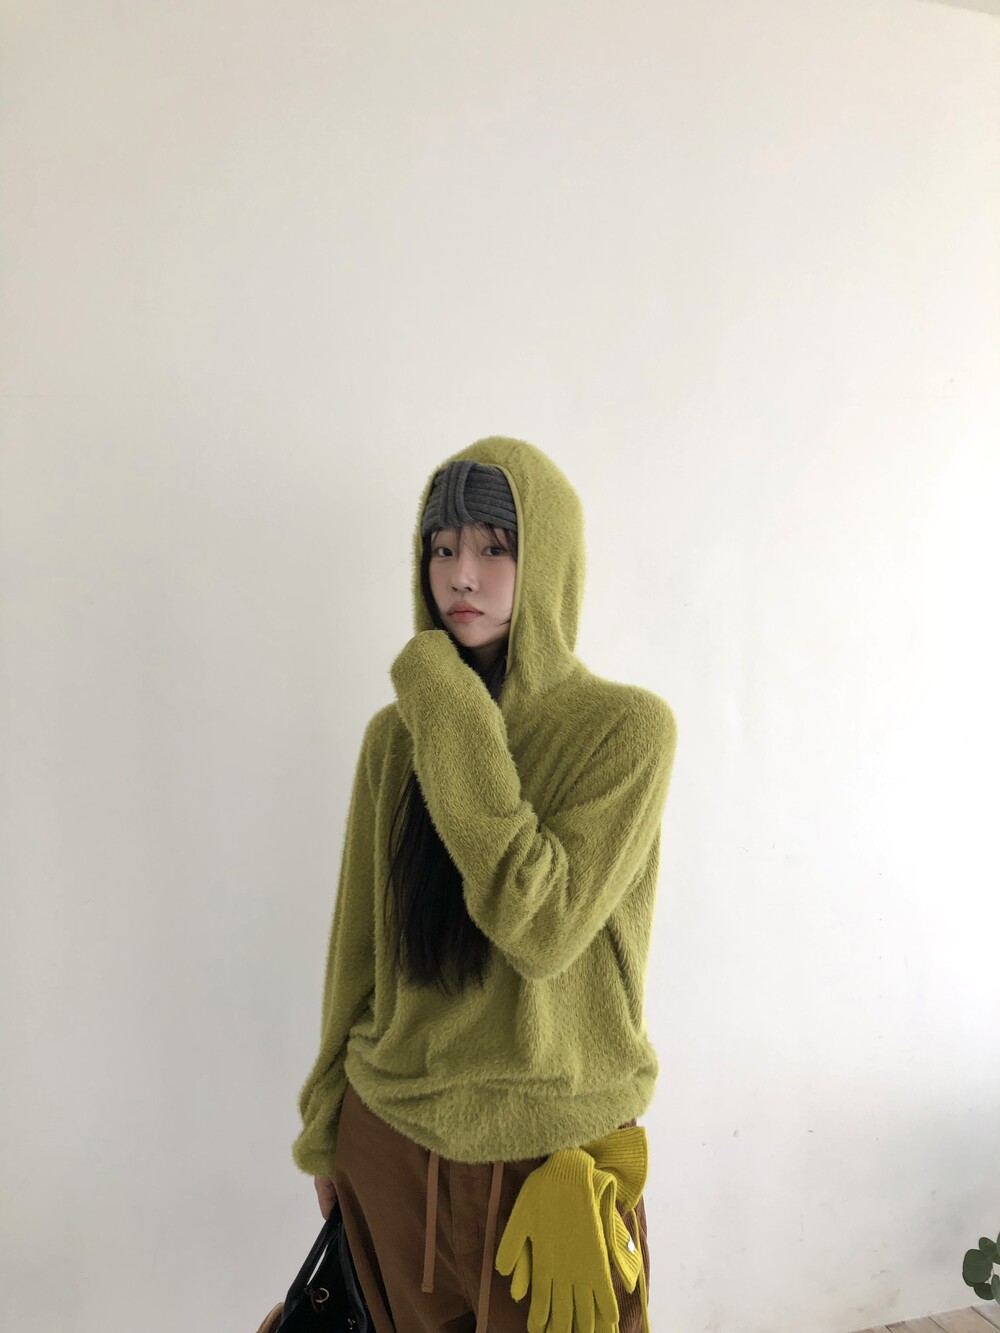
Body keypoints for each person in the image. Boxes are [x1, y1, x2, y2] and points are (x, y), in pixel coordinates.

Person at [291, 436, 678, 1333]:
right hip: (391, 1143)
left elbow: (541, 925)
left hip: (551, 1160)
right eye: (442, 547)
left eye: (494, 546)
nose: (461, 574)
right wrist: (327, 1132)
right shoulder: (395, 738)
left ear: (546, 557)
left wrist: (453, 711)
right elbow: (358, 947)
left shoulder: (626, 730)